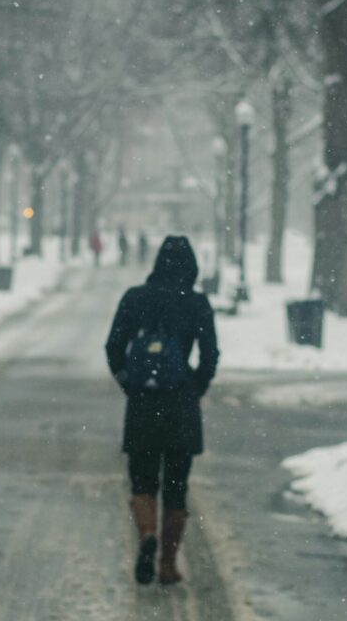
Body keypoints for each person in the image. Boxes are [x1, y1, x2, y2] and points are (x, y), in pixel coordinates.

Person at [104, 236, 219, 586]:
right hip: (180, 408)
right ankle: (168, 564)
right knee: (175, 487)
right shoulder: (197, 303)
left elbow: (113, 347)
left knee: (142, 482)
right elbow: (210, 355)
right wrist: (193, 387)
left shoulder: (135, 298)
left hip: (143, 406)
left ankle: (146, 536)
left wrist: (132, 384)